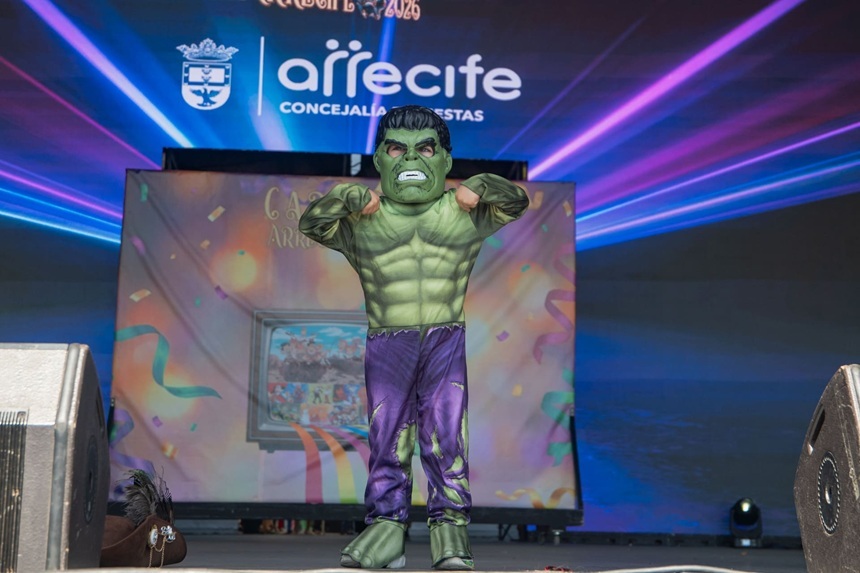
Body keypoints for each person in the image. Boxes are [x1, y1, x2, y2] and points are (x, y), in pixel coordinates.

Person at [299, 105, 529, 570]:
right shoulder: (362, 220)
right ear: (378, 160)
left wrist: (482, 183)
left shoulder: (463, 213)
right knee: (387, 437)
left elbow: (516, 201)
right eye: (395, 149)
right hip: (388, 340)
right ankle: (387, 526)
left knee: (446, 435)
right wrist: (342, 195)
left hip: (445, 337)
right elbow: (312, 225)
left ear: (445, 160)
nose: (410, 159)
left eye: (425, 149)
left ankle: (451, 527)